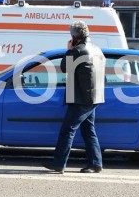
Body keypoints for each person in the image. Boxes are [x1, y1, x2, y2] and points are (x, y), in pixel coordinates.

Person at [42, 21, 105, 174]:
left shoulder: (78, 50)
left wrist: (68, 50)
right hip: (94, 97)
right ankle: (95, 163)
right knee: (89, 131)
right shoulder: (97, 49)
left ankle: (59, 163)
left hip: (81, 98)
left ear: (74, 36)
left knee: (67, 131)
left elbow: (64, 67)